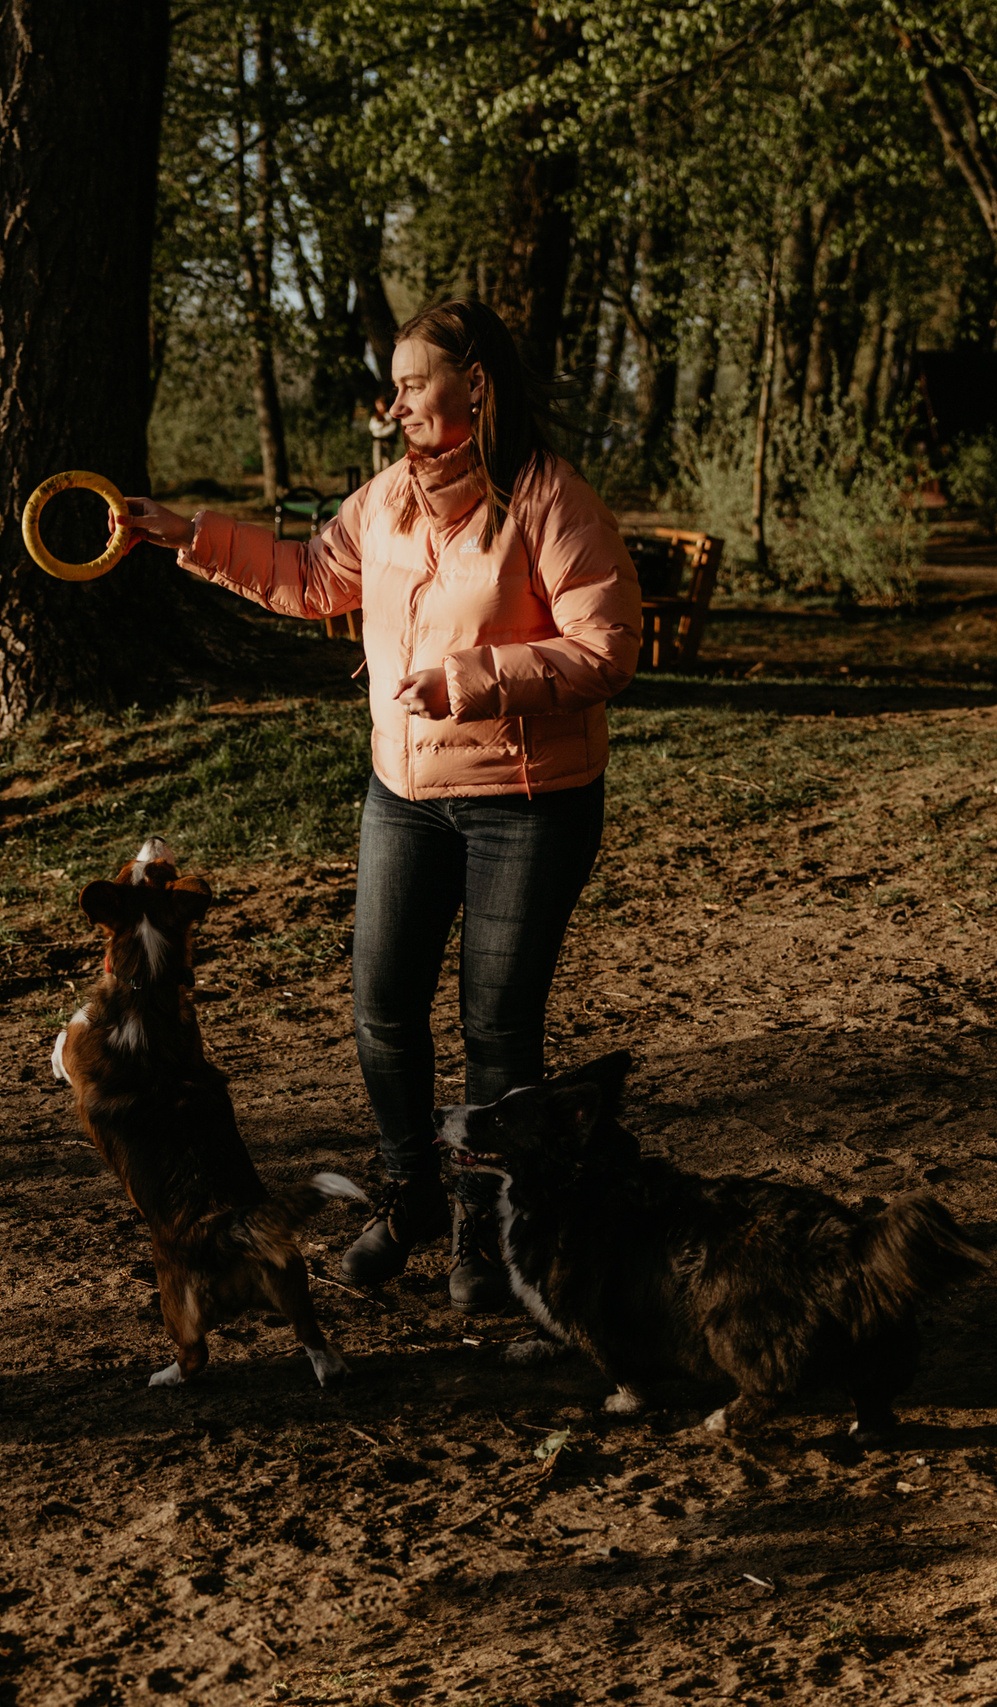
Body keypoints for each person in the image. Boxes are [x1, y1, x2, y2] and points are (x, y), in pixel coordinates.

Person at [114, 298, 642, 1308]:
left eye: (411, 382)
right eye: (392, 384)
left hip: (526, 805)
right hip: (404, 794)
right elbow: (313, 579)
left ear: (474, 386)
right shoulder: (388, 499)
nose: (391, 401)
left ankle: (489, 1232)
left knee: (497, 1030)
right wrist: (184, 532)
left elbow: (606, 650)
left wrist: (475, 679)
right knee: (382, 1012)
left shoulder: (551, 502)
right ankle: (411, 1195)